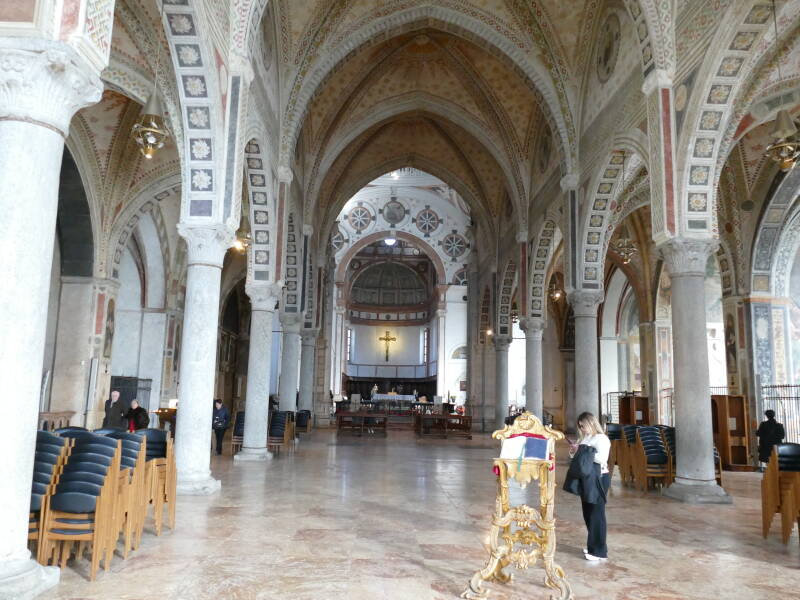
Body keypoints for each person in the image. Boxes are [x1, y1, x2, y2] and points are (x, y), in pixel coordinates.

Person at [568, 411, 611, 561]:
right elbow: (579, 458)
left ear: (591, 423)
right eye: (580, 426)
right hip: (586, 478)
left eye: (583, 426)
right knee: (588, 513)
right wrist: (575, 450)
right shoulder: (586, 438)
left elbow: (601, 458)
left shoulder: (602, 439)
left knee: (596, 514)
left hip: (599, 478)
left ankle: (599, 552)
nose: (582, 429)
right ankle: (594, 547)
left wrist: (582, 451)